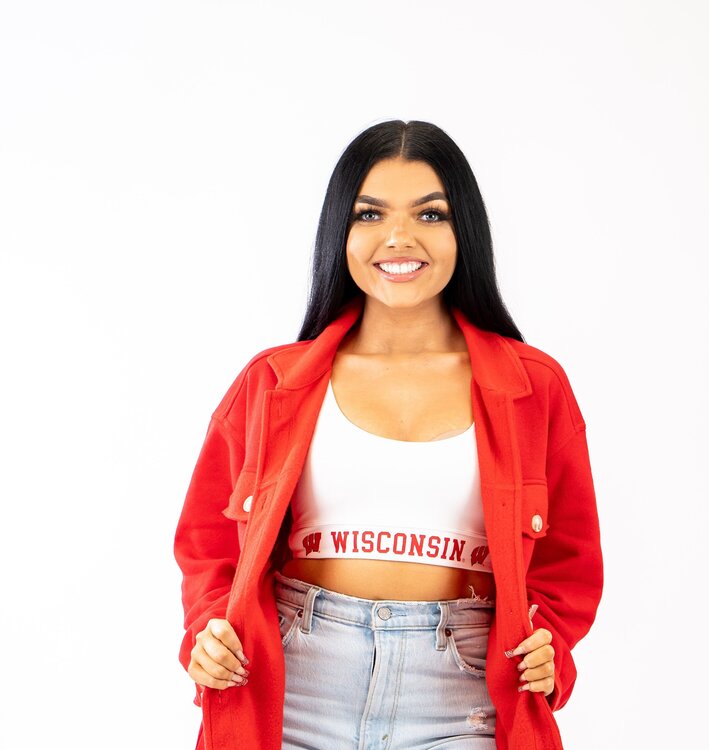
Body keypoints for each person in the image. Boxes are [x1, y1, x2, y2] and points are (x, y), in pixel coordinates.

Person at [174, 120, 603, 750]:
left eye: (430, 215)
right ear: (339, 233)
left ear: (466, 235)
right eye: (370, 213)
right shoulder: (271, 384)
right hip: (292, 690)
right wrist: (207, 633)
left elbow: (570, 558)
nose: (398, 236)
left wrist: (552, 648)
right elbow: (208, 542)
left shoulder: (533, 388)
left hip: (462, 698)